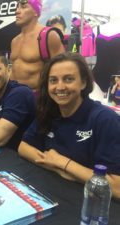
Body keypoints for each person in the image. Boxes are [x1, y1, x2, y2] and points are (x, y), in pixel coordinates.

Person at [18, 52, 120, 199]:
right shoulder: (49, 111)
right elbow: (24, 147)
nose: (60, 87)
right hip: (52, 191)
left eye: (69, 79)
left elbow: (116, 187)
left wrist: (64, 163)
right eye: (53, 80)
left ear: (83, 82)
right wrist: (58, 168)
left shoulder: (105, 120)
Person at [10, 0, 65, 90]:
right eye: (17, 7)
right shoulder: (14, 41)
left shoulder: (49, 36)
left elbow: (63, 70)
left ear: (36, 11)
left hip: (37, 97)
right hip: (14, 95)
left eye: (23, 7)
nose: (17, 11)